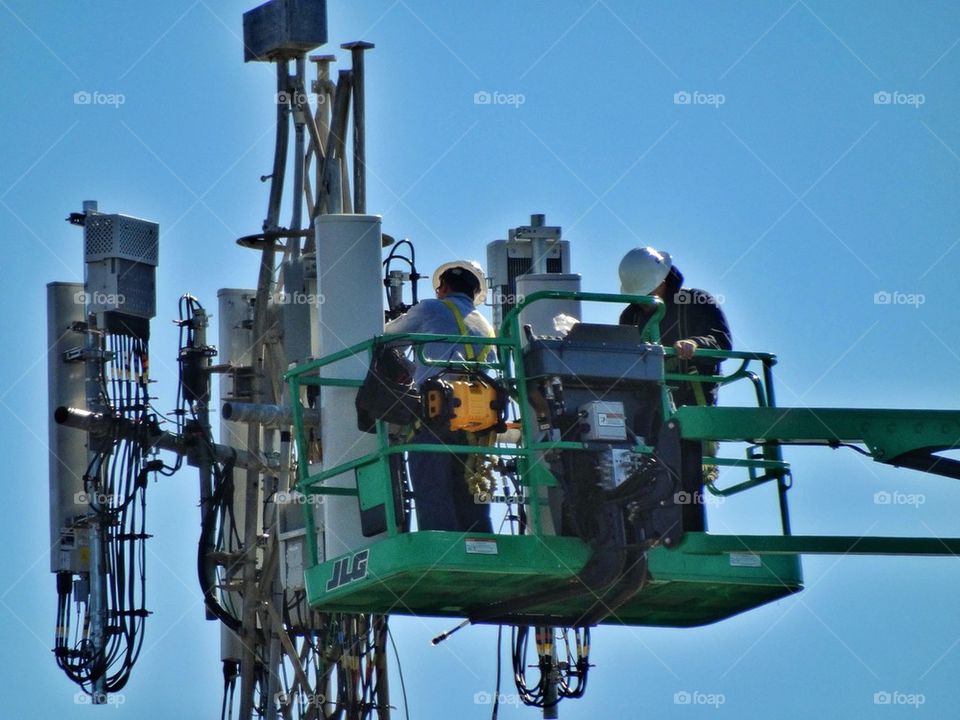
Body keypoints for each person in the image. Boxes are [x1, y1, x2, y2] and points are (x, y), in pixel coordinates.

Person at [617, 246, 732, 530]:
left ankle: (689, 533)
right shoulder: (630, 316)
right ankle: (641, 532)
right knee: (637, 470)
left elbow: (721, 342)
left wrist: (696, 345)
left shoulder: (696, 302)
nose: (644, 300)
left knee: (686, 473)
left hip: (689, 406)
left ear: (664, 281)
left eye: (649, 291)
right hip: (646, 408)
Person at [383, 260, 495, 533]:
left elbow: (386, 339)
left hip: (437, 416)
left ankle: (439, 546)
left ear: (443, 287)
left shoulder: (431, 308)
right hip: (478, 422)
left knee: (433, 492)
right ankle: (481, 545)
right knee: (472, 493)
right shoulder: (487, 328)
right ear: (474, 293)